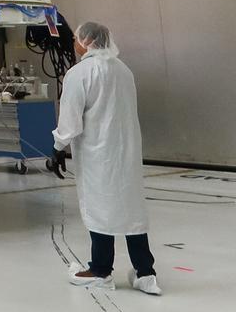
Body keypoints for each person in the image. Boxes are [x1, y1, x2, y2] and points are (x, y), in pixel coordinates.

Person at [54, 21, 160, 295]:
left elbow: (71, 121)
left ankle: (101, 271)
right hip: (126, 150)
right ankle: (145, 272)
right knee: (130, 207)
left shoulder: (79, 74)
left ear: (86, 42)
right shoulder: (123, 70)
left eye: (77, 38)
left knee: (101, 208)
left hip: (97, 153)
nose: (74, 43)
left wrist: (57, 145)